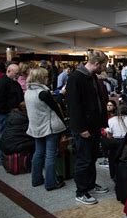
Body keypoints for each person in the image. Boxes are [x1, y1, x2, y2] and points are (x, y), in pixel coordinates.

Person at [66, 50, 110, 205]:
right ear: (97, 64)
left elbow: (97, 101)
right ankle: (81, 191)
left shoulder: (91, 77)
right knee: (83, 160)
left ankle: (90, 184)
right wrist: (81, 128)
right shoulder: (75, 78)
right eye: (104, 65)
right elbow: (73, 106)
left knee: (92, 158)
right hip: (84, 128)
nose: (105, 68)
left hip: (94, 126)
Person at [25, 68, 66, 191]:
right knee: (50, 155)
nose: (48, 78)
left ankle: (36, 179)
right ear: (41, 78)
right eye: (46, 76)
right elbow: (56, 108)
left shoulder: (28, 91)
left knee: (38, 153)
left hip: (36, 126)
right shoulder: (43, 93)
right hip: (49, 127)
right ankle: (51, 183)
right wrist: (63, 123)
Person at [0, 64, 23, 163]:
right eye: (16, 73)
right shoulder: (1, 83)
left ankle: (10, 158)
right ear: (9, 71)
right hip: (5, 114)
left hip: (12, 113)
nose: (18, 75)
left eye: (18, 73)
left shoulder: (13, 83)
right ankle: (3, 158)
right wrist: (10, 110)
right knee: (5, 136)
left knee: (10, 136)